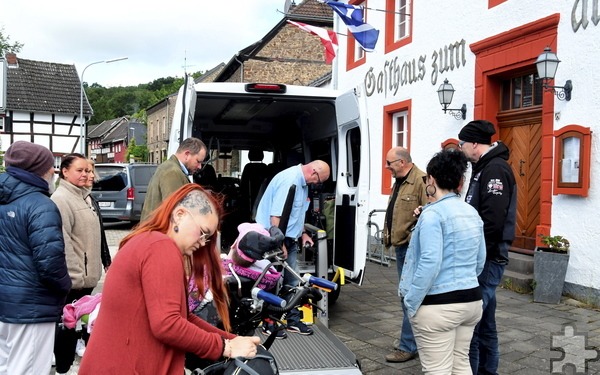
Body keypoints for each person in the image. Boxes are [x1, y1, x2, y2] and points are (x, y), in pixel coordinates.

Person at [79, 184, 260, 374]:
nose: (203, 242)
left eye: (209, 238)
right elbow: (167, 324)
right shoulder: (161, 247)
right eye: (203, 232)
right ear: (180, 215)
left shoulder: (149, 241)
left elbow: (183, 317)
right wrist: (226, 347)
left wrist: (230, 340)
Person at [400, 149, 486, 374]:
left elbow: (430, 262)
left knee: (437, 370)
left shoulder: (432, 215)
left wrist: (411, 301)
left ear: (431, 180)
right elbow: (480, 260)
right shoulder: (472, 213)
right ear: (459, 182)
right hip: (471, 301)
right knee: (461, 363)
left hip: (438, 305)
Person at [0, 141, 71, 375]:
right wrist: (64, 288)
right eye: (52, 166)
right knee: (28, 370)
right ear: (40, 169)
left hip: (6, 302)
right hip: (31, 306)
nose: (54, 171)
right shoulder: (41, 206)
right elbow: (50, 263)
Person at [458, 120, 517, 375]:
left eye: (462, 144)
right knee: (485, 324)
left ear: (473, 143)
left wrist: (477, 257)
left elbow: (492, 222)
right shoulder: (484, 167)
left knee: (472, 324)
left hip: (487, 260)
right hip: (483, 258)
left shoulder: (495, 169)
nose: (460, 149)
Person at [255, 160, 330, 337]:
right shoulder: (290, 181)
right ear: (313, 172)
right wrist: (279, 244)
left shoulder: (302, 184)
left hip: (288, 238)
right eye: (319, 181)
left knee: (293, 282)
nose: (318, 185)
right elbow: (275, 217)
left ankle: (293, 321)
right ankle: (269, 323)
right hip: (274, 237)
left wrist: (302, 233)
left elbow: (298, 212)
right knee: (273, 281)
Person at [51, 153, 103, 375]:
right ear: (64, 172)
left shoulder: (86, 197)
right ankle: (61, 367)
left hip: (87, 277)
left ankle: (70, 364)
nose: (87, 175)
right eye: (80, 170)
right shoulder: (61, 199)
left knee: (79, 326)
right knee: (67, 327)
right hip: (75, 281)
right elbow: (63, 242)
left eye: (89, 171)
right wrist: (76, 276)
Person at [382, 147, 427, 363]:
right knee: (405, 296)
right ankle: (412, 339)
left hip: (411, 249)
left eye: (389, 163)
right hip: (401, 248)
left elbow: (427, 215)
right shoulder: (401, 179)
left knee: (409, 297)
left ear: (401, 162)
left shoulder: (421, 180)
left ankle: (408, 345)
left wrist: (410, 239)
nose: (387, 167)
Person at [141, 137, 207, 220]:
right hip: (160, 231)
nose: (200, 167)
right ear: (187, 154)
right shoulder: (172, 172)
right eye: (198, 161)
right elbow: (174, 212)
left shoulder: (170, 168)